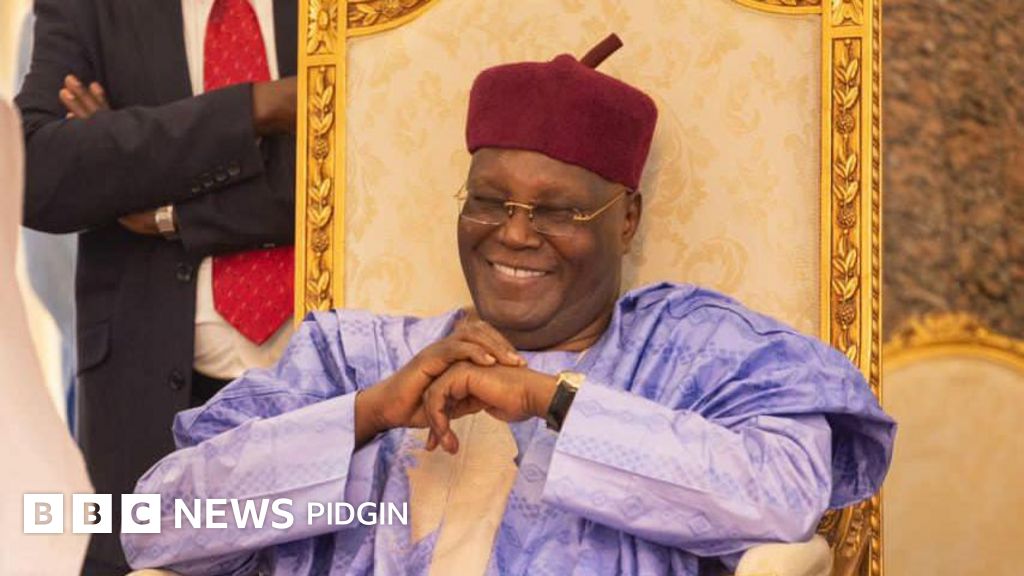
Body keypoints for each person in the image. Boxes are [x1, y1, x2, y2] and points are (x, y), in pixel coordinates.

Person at [124, 36, 896, 575]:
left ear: (626, 220)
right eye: (490, 202)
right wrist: (367, 414)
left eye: (558, 210)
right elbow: (155, 522)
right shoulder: (351, 356)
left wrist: (548, 400)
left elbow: (784, 497)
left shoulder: (693, 352)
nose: (516, 234)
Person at [16, 0, 299, 572]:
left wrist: (166, 203)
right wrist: (258, 108)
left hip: (326, 394)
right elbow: (38, 172)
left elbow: (365, 161)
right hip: (151, 404)